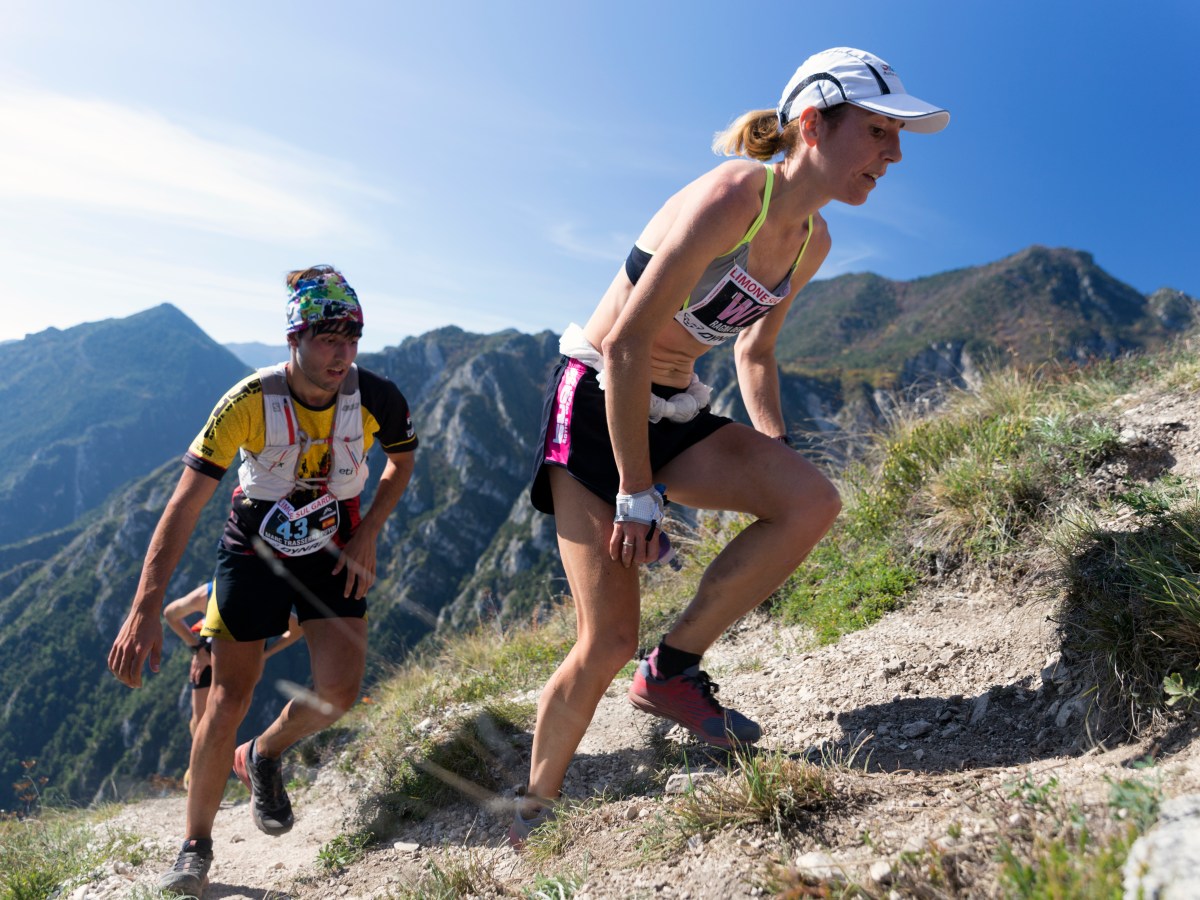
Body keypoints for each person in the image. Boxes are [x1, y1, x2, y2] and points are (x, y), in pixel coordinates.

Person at [516, 47, 949, 844]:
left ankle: (673, 672)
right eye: (881, 131)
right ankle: (531, 809)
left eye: (899, 137)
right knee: (605, 638)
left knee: (809, 501)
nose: (893, 155)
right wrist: (636, 493)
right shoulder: (732, 198)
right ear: (813, 124)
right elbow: (624, 348)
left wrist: (777, 447)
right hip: (598, 402)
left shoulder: (811, 241)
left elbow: (753, 352)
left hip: (676, 405)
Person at [108, 265, 418, 897]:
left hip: (334, 544)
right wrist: (143, 608)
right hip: (253, 550)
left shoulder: (378, 398)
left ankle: (265, 755)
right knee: (227, 699)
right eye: (327, 338)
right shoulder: (249, 402)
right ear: (293, 340)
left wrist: (370, 532)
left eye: (351, 338)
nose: (342, 353)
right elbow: (184, 506)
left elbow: (402, 464)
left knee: (339, 690)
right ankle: (195, 845)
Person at [163, 582, 305, 784]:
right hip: (213, 657)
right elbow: (170, 614)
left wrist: (263, 655)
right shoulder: (210, 593)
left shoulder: (260, 597)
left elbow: (297, 628)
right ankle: (198, 772)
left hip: (229, 658)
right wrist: (197, 649)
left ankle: (204, 778)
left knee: (223, 719)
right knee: (200, 720)